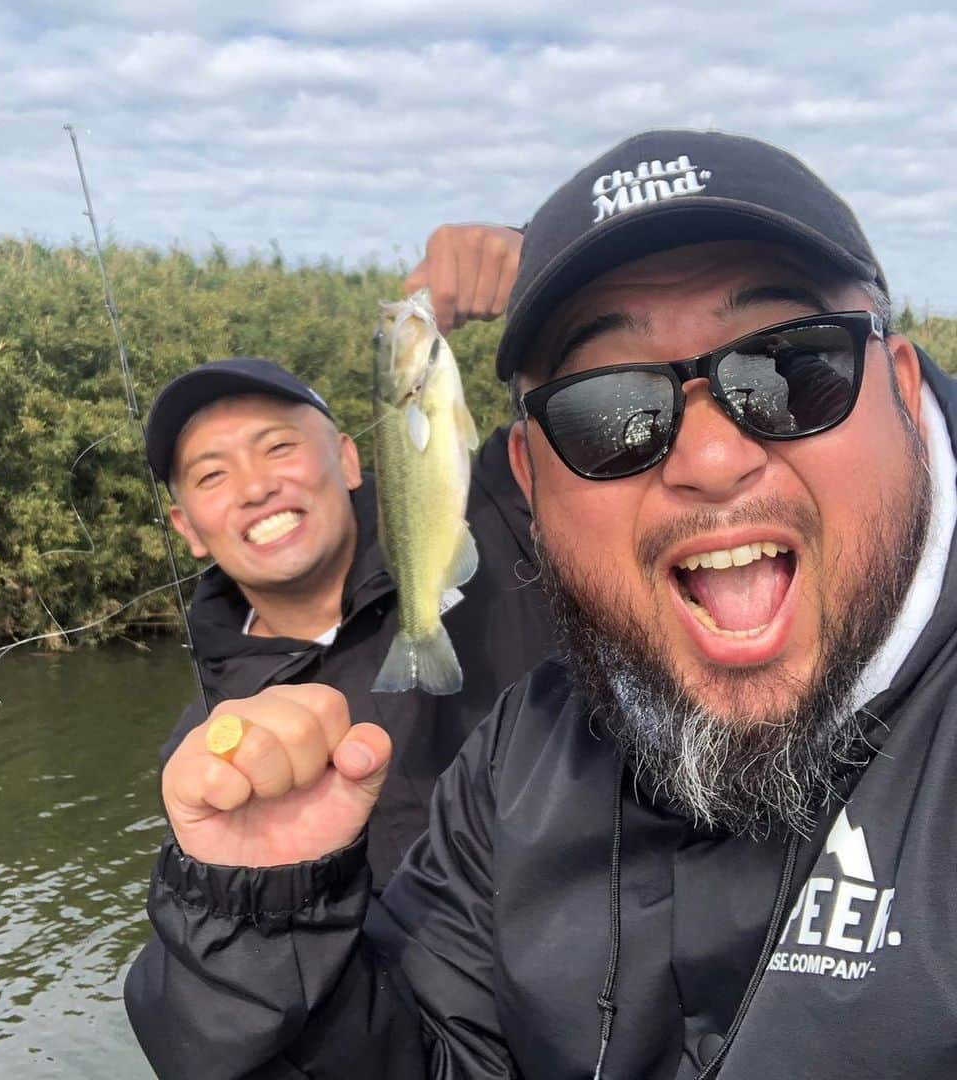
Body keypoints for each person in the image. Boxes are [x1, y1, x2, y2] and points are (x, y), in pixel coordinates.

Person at [126, 129, 957, 1078]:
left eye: (793, 370)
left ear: (899, 387)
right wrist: (262, 921)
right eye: (608, 415)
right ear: (535, 478)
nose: (713, 457)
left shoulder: (470, 551)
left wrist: (441, 300)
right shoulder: (516, 766)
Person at [140, 277, 550, 894]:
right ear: (186, 527)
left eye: (278, 446)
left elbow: (600, 412)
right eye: (212, 475)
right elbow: (245, 967)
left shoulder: (499, 508)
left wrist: (537, 276)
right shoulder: (210, 744)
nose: (255, 488)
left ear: (349, 460)